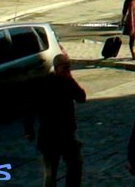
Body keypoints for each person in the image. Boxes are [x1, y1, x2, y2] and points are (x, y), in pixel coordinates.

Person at [24, 54, 86, 187]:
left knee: (76, 164)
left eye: (69, 68)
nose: (67, 71)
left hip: (68, 132)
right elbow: (30, 108)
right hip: (49, 134)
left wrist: (71, 80)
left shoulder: (68, 82)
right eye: (65, 68)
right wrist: (29, 130)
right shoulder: (44, 84)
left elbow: (81, 97)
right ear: (57, 68)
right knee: (50, 172)